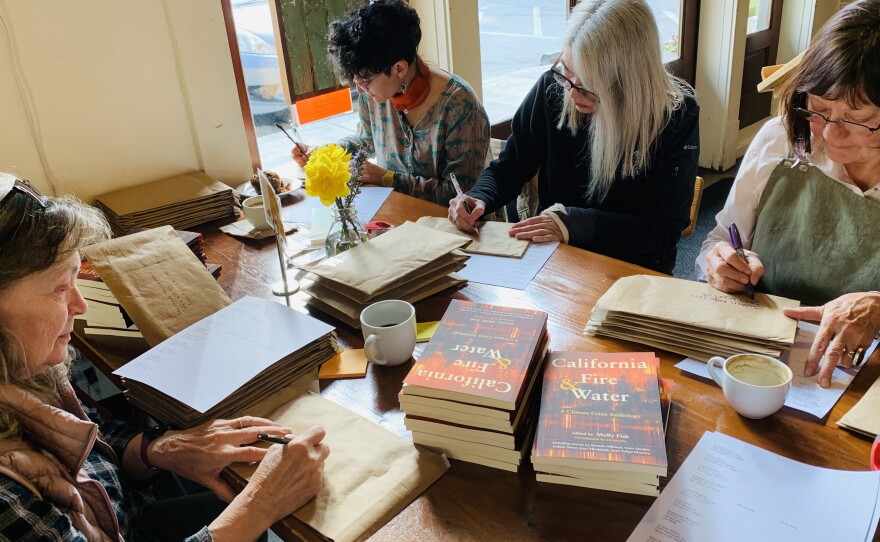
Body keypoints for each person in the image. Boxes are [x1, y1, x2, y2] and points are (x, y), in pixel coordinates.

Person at [0, 173, 329, 541]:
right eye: (60, 288)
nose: (80, 305)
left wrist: (158, 449)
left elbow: (90, 441)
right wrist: (261, 504)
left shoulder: (21, 366)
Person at [696, 0, 880, 388]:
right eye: (818, 108)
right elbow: (719, 239)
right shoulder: (781, 140)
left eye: (857, 121)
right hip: (756, 356)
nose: (829, 134)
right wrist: (717, 263)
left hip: (862, 377)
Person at [448, 0, 699, 274]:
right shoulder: (552, 89)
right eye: (566, 71)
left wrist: (576, 223)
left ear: (631, 82)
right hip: (552, 256)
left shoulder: (675, 117)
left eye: (589, 86)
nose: (571, 93)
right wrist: (479, 197)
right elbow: (511, 166)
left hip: (630, 267)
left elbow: (664, 230)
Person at [290, 0, 489, 206]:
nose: (360, 90)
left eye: (364, 81)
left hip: (456, 228)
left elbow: (462, 196)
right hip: (399, 215)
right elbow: (366, 140)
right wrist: (325, 154)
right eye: (355, 81)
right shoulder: (376, 94)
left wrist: (386, 178)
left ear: (400, 68)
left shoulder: (459, 105)